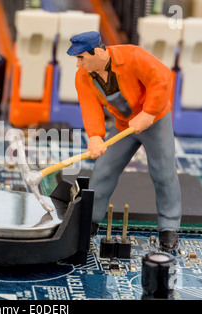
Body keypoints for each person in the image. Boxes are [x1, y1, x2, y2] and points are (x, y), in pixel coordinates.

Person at [67, 31, 181, 252]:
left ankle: (169, 227)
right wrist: (95, 137)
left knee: (164, 173)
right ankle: (90, 221)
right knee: (103, 169)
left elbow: (162, 78)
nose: (78, 64)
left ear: (97, 51)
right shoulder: (83, 77)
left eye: (81, 58)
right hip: (124, 126)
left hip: (155, 122)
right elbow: (90, 108)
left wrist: (148, 113)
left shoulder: (133, 56)